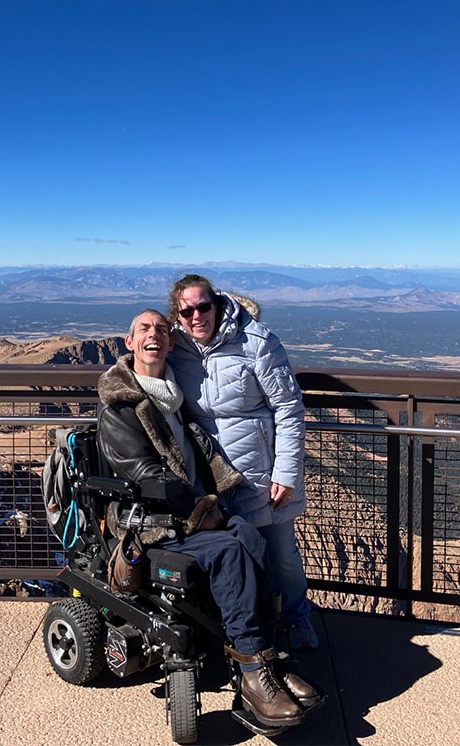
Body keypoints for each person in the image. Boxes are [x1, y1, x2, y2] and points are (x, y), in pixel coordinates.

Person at [96, 308, 318, 728]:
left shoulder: (172, 397)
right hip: (155, 525)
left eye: (162, 329)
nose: (154, 336)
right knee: (229, 552)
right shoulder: (121, 412)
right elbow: (147, 477)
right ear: (129, 342)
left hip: (195, 514)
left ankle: (265, 658)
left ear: (172, 340)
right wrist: (200, 513)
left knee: (250, 538)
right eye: (144, 330)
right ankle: (253, 678)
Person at [167, 274, 318, 652]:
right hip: (208, 479)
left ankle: (297, 617)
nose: (196, 315)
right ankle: (250, 634)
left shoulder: (256, 342)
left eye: (203, 306)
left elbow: (288, 409)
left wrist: (286, 473)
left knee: (280, 554)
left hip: (260, 475)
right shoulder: (175, 347)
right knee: (235, 557)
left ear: (217, 304)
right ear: (178, 315)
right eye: (187, 310)